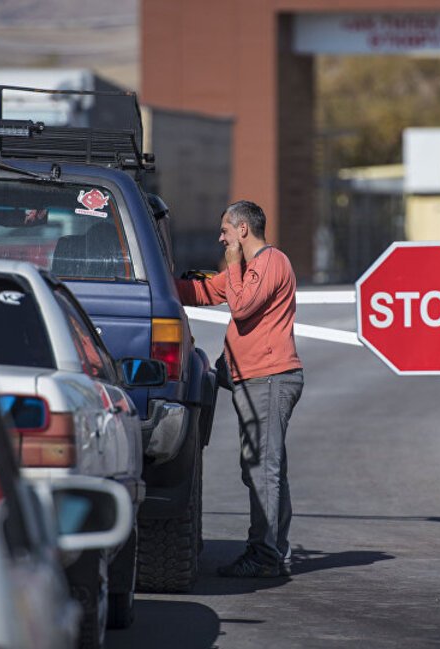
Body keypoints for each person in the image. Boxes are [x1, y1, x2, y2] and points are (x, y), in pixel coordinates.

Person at [175, 200, 304, 578]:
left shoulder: (271, 262)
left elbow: (242, 306)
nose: (221, 238)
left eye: (226, 231)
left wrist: (232, 264)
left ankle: (264, 556)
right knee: (265, 468)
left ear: (242, 230)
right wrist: (153, 281)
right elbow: (204, 292)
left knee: (262, 469)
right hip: (256, 380)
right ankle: (274, 552)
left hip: (270, 377)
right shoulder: (248, 269)